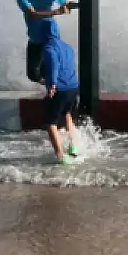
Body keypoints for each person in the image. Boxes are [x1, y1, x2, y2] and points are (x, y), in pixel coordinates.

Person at [16, 0, 75, 84]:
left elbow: (65, 2)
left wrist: (69, 7)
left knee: (50, 70)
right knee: (33, 75)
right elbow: (33, 14)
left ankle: (56, 89)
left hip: (51, 36)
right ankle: (51, 86)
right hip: (35, 38)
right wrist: (57, 12)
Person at [37, 18, 81, 164]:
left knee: (50, 123)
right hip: (73, 87)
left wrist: (52, 85)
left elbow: (54, 65)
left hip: (60, 89)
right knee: (67, 115)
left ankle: (61, 156)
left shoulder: (49, 48)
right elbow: (68, 67)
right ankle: (73, 146)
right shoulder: (68, 47)